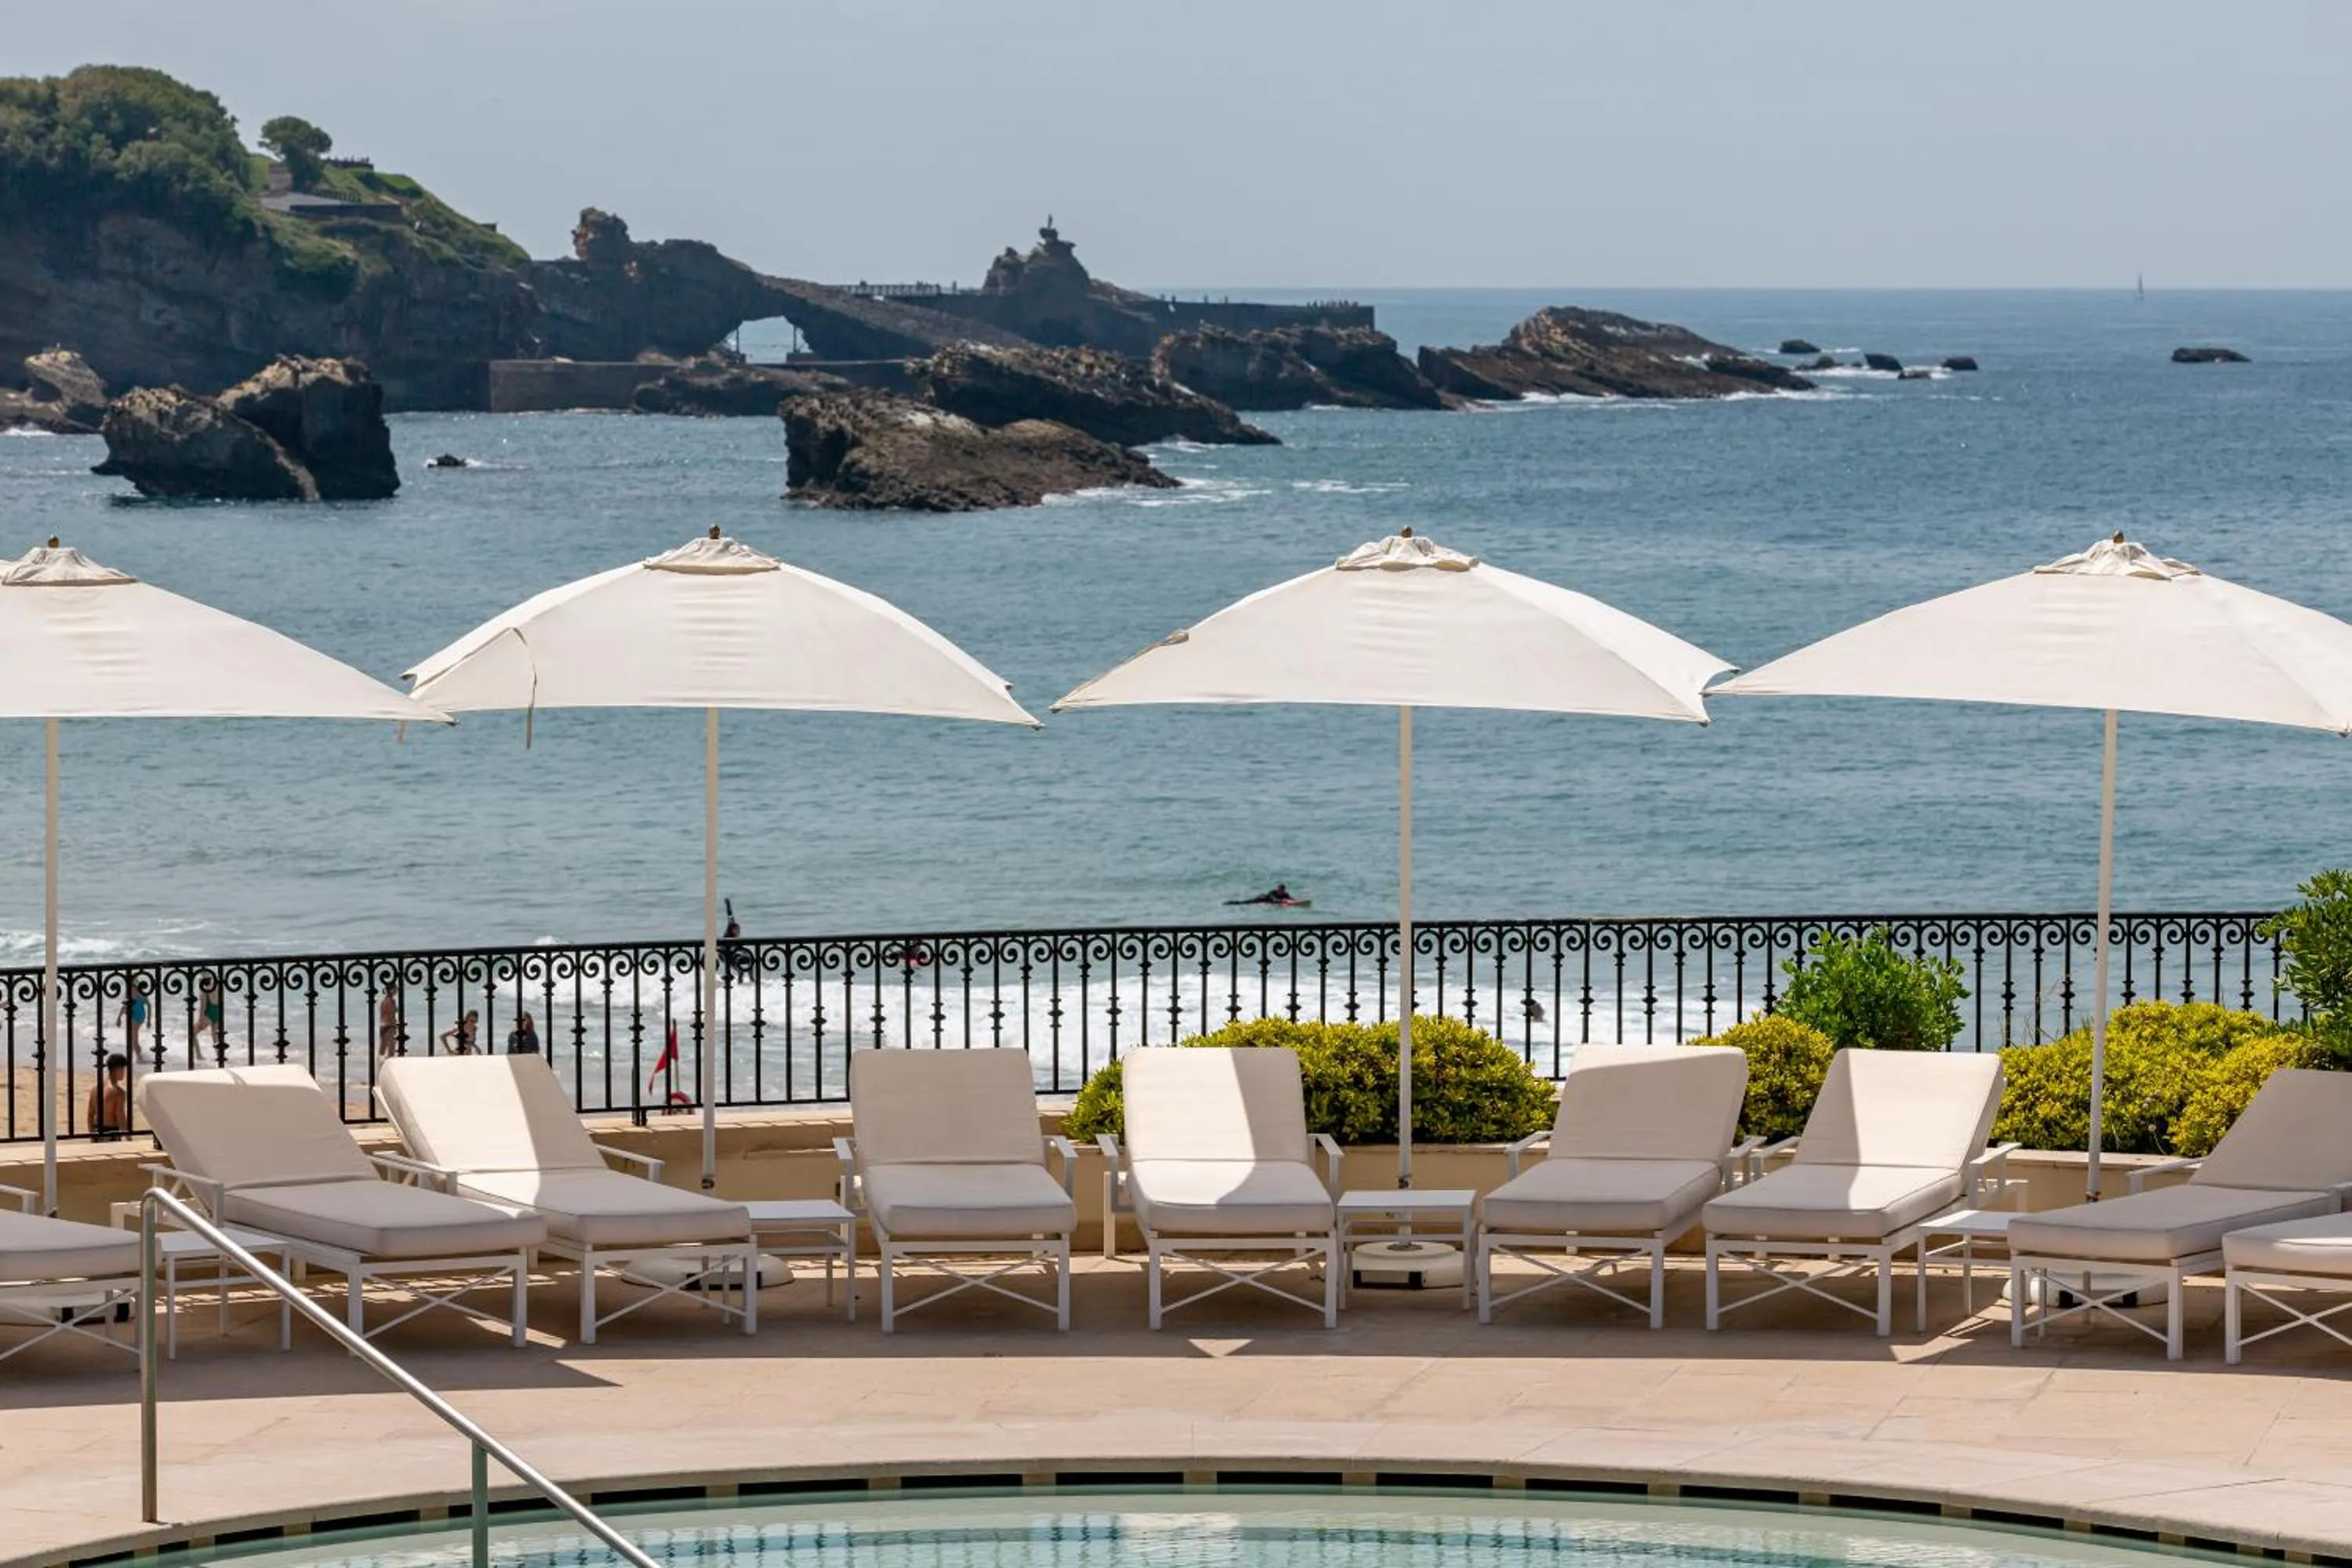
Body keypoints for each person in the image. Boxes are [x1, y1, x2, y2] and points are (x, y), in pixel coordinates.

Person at [86, 1052, 130, 1138]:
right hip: (111, 1131)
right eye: (123, 1069)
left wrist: (91, 1131)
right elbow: (120, 1115)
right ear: (116, 1069)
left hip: (96, 1129)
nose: (124, 1073)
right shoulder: (118, 1092)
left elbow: (90, 1113)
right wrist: (128, 1135)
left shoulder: (95, 1088)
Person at [191, 977, 225, 1055]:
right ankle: (220, 1056)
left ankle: (199, 1055)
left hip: (208, 1014)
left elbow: (203, 1006)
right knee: (215, 1038)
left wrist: (201, 1020)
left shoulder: (204, 991)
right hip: (218, 1012)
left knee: (192, 1034)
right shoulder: (217, 986)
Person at [117, 978, 151, 1057]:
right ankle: (138, 1055)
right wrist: (119, 1018)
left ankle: (140, 1057)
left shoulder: (141, 994)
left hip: (138, 1016)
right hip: (132, 1016)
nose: (132, 987)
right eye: (131, 986)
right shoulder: (130, 994)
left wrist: (149, 1020)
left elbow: (149, 1005)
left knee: (134, 1039)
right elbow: (124, 1006)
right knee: (133, 1038)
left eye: (133, 985)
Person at [377, 990, 405, 1058]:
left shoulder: (384, 1001)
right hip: (390, 1026)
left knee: (382, 1050)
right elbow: (391, 1015)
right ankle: (387, 1066)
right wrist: (394, 1026)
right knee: (391, 1051)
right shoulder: (391, 1001)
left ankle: (378, 1066)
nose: (397, 990)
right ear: (392, 990)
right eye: (396, 989)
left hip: (383, 1025)